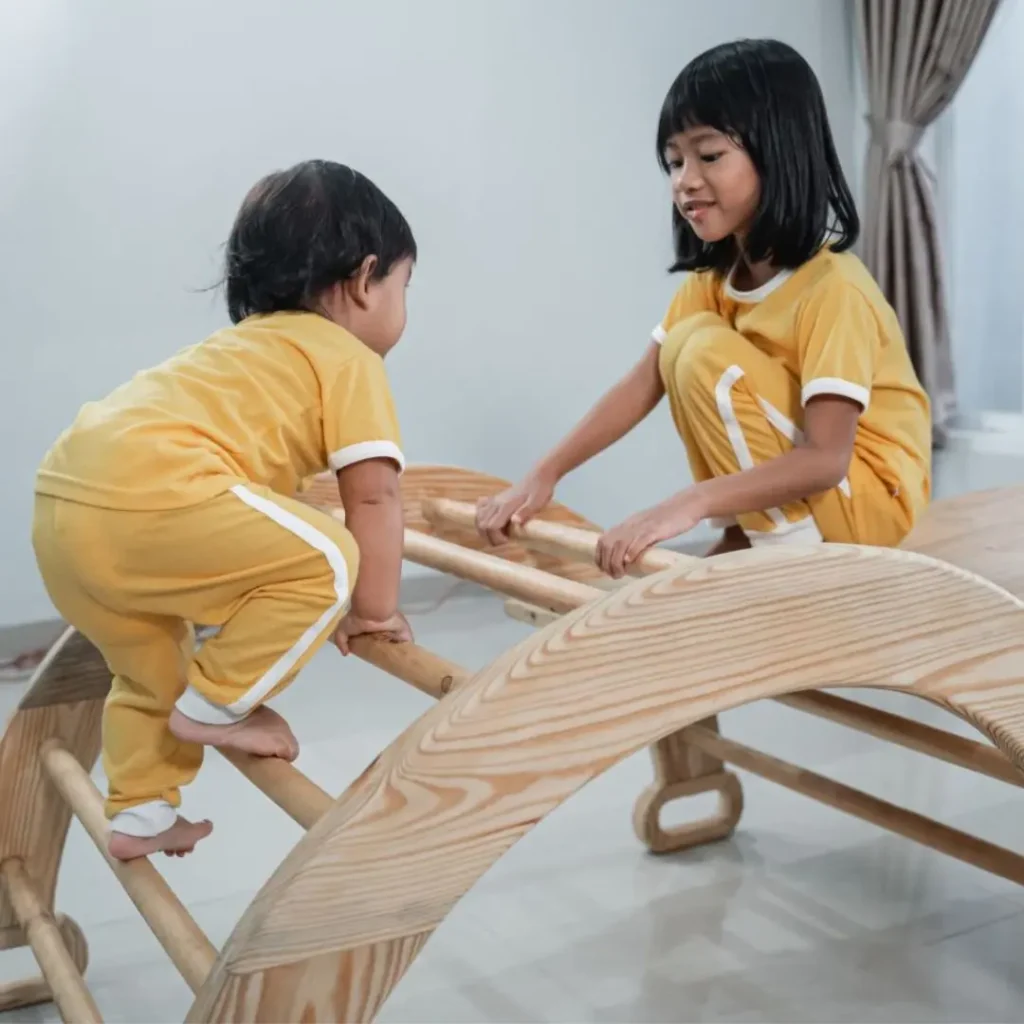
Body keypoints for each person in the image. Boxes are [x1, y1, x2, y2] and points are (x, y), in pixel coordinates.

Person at [32, 160, 415, 860]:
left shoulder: (239, 351)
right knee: (329, 556)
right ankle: (221, 705)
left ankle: (141, 815)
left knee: (151, 665)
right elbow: (374, 493)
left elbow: (256, 503)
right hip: (147, 492)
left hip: (64, 502)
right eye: (404, 287)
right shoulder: (349, 358)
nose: (402, 308)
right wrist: (373, 605)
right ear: (365, 280)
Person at [476, 38, 931, 578]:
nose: (685, 180)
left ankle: (789, 563)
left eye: (709, 155)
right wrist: (543, 475)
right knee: (686, 345)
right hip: (820, 495)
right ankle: (754, 537)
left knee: (704, 352)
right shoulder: (714, 281)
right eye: (674, 161)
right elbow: (640, 384)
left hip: (869, 501)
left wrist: (687, 504)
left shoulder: (835, 290)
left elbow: (827, 460)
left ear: (779, 152)